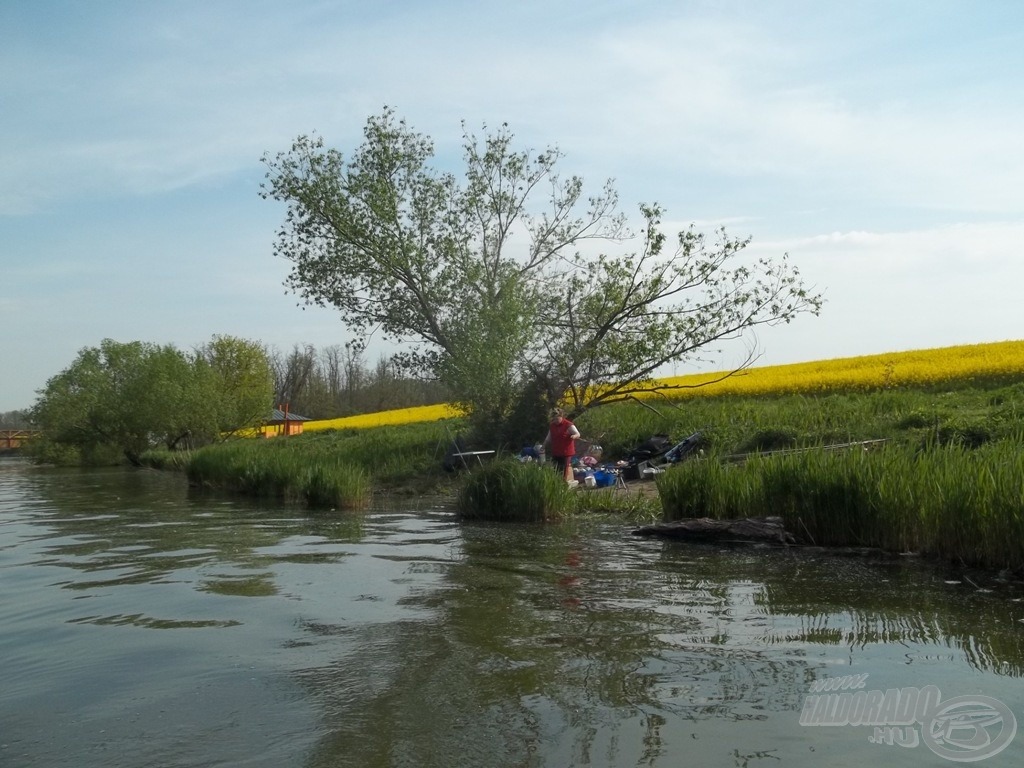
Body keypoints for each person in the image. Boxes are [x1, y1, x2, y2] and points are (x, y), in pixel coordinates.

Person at [544, 408, 581, 484]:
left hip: (566, 452)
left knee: (563, 470)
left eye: (557, 419)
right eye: (554, 419)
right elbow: (549, 437)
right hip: (556, 451)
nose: (556, 421)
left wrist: (574, 436)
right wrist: (543, 446)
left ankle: (562, 486)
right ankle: (557, 485)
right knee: (556, 470)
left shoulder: (568, 425)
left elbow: (578, 434)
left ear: (561, 417)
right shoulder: (552, 426)